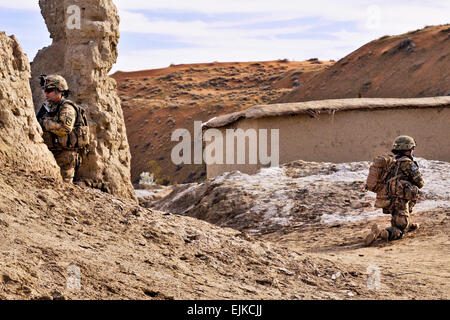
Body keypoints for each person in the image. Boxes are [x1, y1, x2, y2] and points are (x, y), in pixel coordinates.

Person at [365, 135, 425, 246]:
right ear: (407, 150)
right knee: (400, 230)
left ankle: (404, 224)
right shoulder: (407, 163)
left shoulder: (391, 161)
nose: (412, 152)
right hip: (399, 199)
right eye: (412, 149)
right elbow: (420, 182)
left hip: (387, 197)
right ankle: (382, 233)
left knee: (399, 219)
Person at [36, 74, 81, 183]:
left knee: (64, 188)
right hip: (52, 151)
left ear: (59, 90)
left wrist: (44, 123)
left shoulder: (67, 108)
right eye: (45, 90)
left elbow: (65, 128)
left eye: (50, 90)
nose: (46, 93)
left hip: (65, 155)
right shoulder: (50, 106)